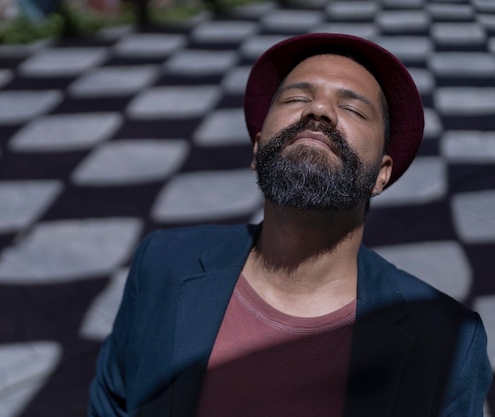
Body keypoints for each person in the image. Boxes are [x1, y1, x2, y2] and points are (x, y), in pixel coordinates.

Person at [88, 33, 492, 417]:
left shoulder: (447, 341)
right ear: (259, 146)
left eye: (352, 108)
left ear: (381, 174)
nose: (319, 111)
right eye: (297, 97)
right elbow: (112, 402)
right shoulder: (162, 263)